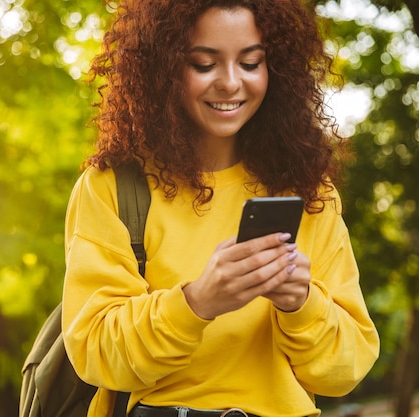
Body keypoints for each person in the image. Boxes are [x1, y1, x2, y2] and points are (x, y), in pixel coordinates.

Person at [61, 0, 380, 416]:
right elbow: (95, 352)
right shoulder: (113, 189)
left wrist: (302, 303)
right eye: (204, 64)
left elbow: (346, 369)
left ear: (276, 70)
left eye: (250, 63)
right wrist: (197, 303)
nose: (230, 83)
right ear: (164, 68)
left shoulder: (307, 192)